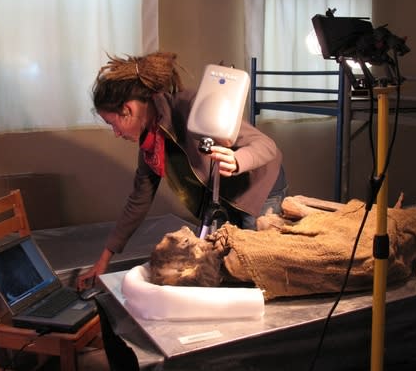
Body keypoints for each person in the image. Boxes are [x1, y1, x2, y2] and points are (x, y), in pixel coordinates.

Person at [77, 52, 287, 290]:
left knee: (256, 271)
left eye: (113, 124)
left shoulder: (191, 107)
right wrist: (104, 260)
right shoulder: (152, 140)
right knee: (225, 268)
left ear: (128, 110)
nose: (116, 133)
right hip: (221, 193)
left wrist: (237, 160)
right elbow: (139, 200)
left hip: (257, 187)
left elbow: (267, 147)